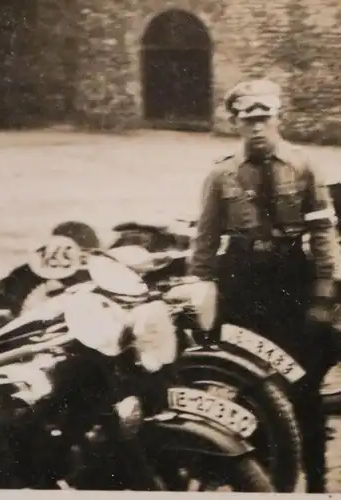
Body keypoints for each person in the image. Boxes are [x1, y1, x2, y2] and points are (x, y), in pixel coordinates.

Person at [188, 78, 339, 493]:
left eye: (264, 119)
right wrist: (200, 293)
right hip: (241, 283)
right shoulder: (221, 175)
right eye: (246, 120)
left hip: (292, 281)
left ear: (278, 119)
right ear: (235, 123)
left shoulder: (305, 166)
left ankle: (317, 479)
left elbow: (324, 232)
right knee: (249, 383)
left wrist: (324, 292)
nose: (257, 128)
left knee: (304, 386)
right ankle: (264, 475)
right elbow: (205, 240)